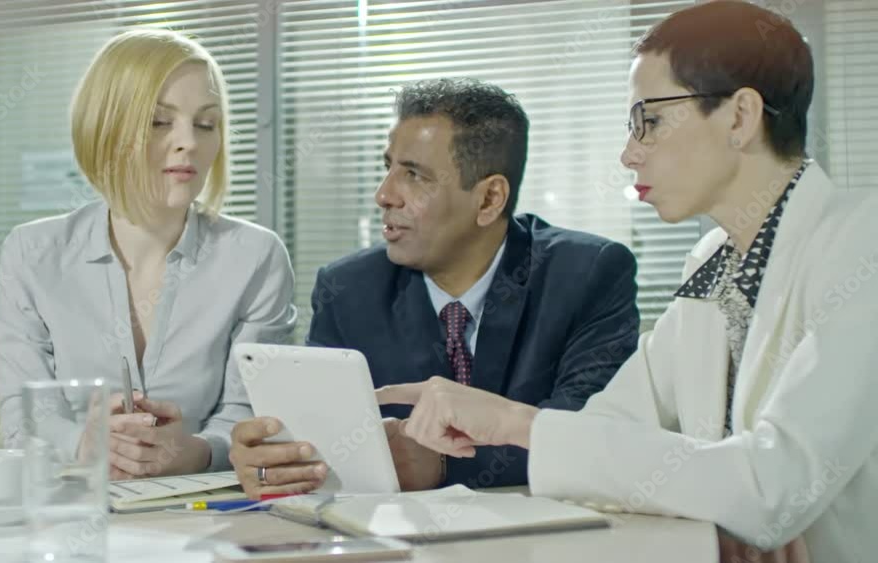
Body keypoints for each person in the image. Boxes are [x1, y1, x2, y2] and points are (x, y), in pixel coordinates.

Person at [375, 3, 878, 562]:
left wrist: (516, 422)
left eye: (650, 121)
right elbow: (606, 432)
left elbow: (775, 487)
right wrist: (717, 510)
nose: (629, 153)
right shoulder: (713, 260)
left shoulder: (863, 243)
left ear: (739, 117)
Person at [229, 78, 641, 498]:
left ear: (489, 199)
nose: (384, 195)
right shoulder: (348, 289)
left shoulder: (586, 274)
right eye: (388, 168)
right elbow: (322, 441)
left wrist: (442, 463)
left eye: (414, 175)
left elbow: (591, 434)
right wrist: (276, 459)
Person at [0, 29, 296, 480]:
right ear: (105, 131)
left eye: (206, 124)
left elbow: (249, 414)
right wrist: (85, 443)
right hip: (70, 502)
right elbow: (24, 414)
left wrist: (195, 450)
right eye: (159, 121)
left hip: (200, 509)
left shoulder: (256, 257)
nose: (189, 142)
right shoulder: (33, 253)